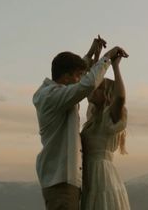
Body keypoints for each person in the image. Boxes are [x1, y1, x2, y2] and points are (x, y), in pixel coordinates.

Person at [33, 37, 128, 210]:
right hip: (62, 179)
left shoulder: (57, 94)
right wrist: (107, 58)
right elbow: (87, 84)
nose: (80, 79)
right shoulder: (53, 96)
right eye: (77, 75)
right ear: (66, 77)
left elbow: (87, 83)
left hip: (79, 179)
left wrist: (92, 54)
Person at [80, 46, 130, 210]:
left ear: (108, 95)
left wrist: (116, 67)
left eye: (99, 89)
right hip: (89, 174)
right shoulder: (93, 118)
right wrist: (96, 55)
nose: (93, 90)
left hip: (101, 175)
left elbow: (121, 97)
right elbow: (90, 81)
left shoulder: (110, 118)